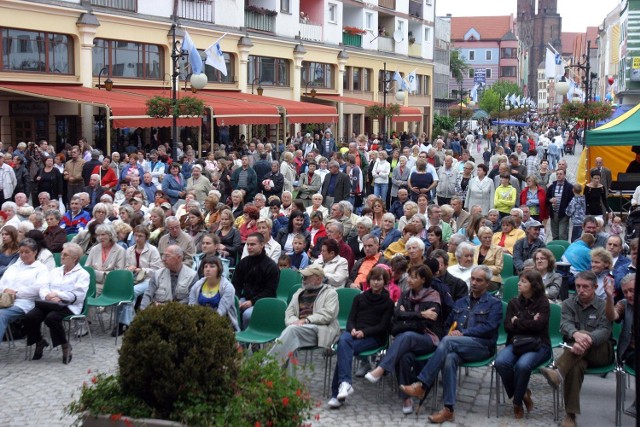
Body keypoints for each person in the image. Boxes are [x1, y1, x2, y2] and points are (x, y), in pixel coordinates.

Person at [399, 265, 502, 423]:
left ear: (487, 284)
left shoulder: (494, 303)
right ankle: (448, 409)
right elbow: (447, 324)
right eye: (472, 279)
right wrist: (452, 333)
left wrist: (462, 334)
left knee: (447, 341)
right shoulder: (461, 302)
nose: (474, 282)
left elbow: (489, 328)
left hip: (481, 346)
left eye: (479, 280)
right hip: (456, 345)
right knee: (449, 359)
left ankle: (422, 384)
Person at [365, 264, 444, 415]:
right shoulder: (406, 294)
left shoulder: (434, 297)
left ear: (423, 279)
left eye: (414, 277)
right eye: (409, 276)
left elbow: (427, 324)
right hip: (406, 338)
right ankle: (406, 398)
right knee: (404, 357)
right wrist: (420, 314)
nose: (409, 280)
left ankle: (381, 369)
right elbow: (397, 316)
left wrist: (407, 316)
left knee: (406, 336)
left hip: (428, 338)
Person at [540, 271, 613, 427]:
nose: (581, 290)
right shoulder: (568, 303)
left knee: (584, 336)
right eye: (578, 286)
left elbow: (605, 331)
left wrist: (584, 337)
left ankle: (558, 371)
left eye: (585, 286)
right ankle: (570, 416)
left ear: (595, 287)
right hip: (575, 354)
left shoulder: (603, 305)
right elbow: (564, 325)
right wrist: (575, 333)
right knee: (575, 366)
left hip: (600, 352)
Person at [328, 266, 394, 408]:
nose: (375, 283)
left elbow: (383, 327)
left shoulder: (388, 303)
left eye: (379, 280)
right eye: (373, 279)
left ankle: (337, 394)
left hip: (374, 338)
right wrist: (352, 329)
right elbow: (351, 319)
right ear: (369, 281)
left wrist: (364, 333)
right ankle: (344, 384)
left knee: (343, 349)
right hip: (354, 334)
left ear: (385, 282)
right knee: (344, 341)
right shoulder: (359, 298)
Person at [495, 270, 551, 418]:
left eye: (524, 281)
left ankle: (517, 403)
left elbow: (539, 326)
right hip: (517, 342)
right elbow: (507, 327)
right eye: (520, 281)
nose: (519, 283)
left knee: (522, 365)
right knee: (500, 362)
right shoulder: (514, 302)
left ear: (534, 286)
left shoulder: (543, 303)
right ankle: (523, 393)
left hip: (538, 344)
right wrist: (530, 321)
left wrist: (518, 321)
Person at [23, 241, 88, 364]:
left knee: (51, 319)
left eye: (65, 255)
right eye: (62, 254)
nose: (61, 257)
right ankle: (39, 341)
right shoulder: (55, 271)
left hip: (69, 305)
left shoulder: (83, 274)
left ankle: (65, 345)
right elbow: (44, 286)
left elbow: (78, 296)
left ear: (75, 258)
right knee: (30, 316)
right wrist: (47, 295)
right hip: (49, 303)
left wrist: (58, 295)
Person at [267, 264, 339, 368]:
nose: (303, 279)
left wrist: (306, 320)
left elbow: (328, 315)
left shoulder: (330, 293)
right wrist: (295, 322)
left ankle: (266, 366)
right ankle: (284, 380)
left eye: (307, 277)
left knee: (291, 332)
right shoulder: (298, 293)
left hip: (320, 330)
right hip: (298, 329)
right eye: (303, 277)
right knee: (291, 339)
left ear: (318, 279)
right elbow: (289, 313)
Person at [0, 237, 50, 350]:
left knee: (1, 315)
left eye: (27, 252)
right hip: (5, 299)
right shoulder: (14, 267)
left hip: (25, 302)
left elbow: (38, 288)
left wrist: (15, 293)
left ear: (35, 252)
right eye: (21, 252)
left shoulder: (41, 269)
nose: (23, 255)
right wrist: (5, 290)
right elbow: (2, 283)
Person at [113, 225, 163, 336]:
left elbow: (157, 270)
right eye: (136, 235)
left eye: (140, 236)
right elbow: (124, 267)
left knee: (133, 292)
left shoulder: (152, 250)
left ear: (146, 237)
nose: (137, 238)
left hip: (148, 280)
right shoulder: (130, 250)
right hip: (132, 279)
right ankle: (127, 322)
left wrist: (141, 270)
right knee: (121, 291)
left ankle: (122, 324)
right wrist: (129, 269)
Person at [233, 232, 280, 329]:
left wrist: (252, 302)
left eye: (253, 244)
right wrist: (236, 299)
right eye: (248, 244)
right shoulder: (243, 262)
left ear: (262, 245)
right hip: (245, 299)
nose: (249, 247)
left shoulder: (271, 266)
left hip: (264, 302)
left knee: (247, 315)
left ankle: (247, 342)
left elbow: (270, 291)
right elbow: (236, 284)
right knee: (231, 309)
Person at [189, 255, 239, 331]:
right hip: (199, 321)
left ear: (219, 269)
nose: (208, 269)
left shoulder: (228, 287)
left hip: (222, 324)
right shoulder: (197, 285)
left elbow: (221, 313)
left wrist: (206, 324)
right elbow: (192, 307)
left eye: (212, 266)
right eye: (205, 267)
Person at [140, 245, 198, 309]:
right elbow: (148, 295)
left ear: (179, 258)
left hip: (182, 312)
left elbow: (192, 298)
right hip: (158, 312)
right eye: (163, 255)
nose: (163, 259)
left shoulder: (192, 276)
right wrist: (142, 311)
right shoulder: (157, 274)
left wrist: (168, 307)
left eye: (167, 256)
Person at [84, 224, 126, 294]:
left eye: (103, 234)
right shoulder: (94, 249)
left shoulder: (120, 250)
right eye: (98, 235)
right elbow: (87, 269)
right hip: (93, 282)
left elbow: (118, 273)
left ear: (110, 235)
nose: (100, 237)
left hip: (110, 284)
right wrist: (103, 274)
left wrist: (97, 273)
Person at [605, 273, 635, 367]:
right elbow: (612, 316)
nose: (629, 295)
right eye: (625, 292)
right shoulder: (623, 304)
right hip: (631, 352)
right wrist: (609, 297)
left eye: (632, 290)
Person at [546, 169, 574, 241]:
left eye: (560, 174)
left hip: (564, 214)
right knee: (555, 235)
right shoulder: (552, 186)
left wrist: (567, 211)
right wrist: (550, 200)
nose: (559, 175)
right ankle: (555, 250)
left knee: (562, 235)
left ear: (564, 175)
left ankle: (564, 250)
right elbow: (546, 198)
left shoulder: (569, 187)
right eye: (557, 174)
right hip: (554, 213)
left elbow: (572, 201)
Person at [475, 226, 504, 292]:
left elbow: (498, 268)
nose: (488, 240)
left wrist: (482, 268)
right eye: (485, 237)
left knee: (480, 286)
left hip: (491, 278)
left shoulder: (498, 249)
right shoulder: (474, 249)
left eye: (489, 237)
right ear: (479, 238)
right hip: (475, 276)